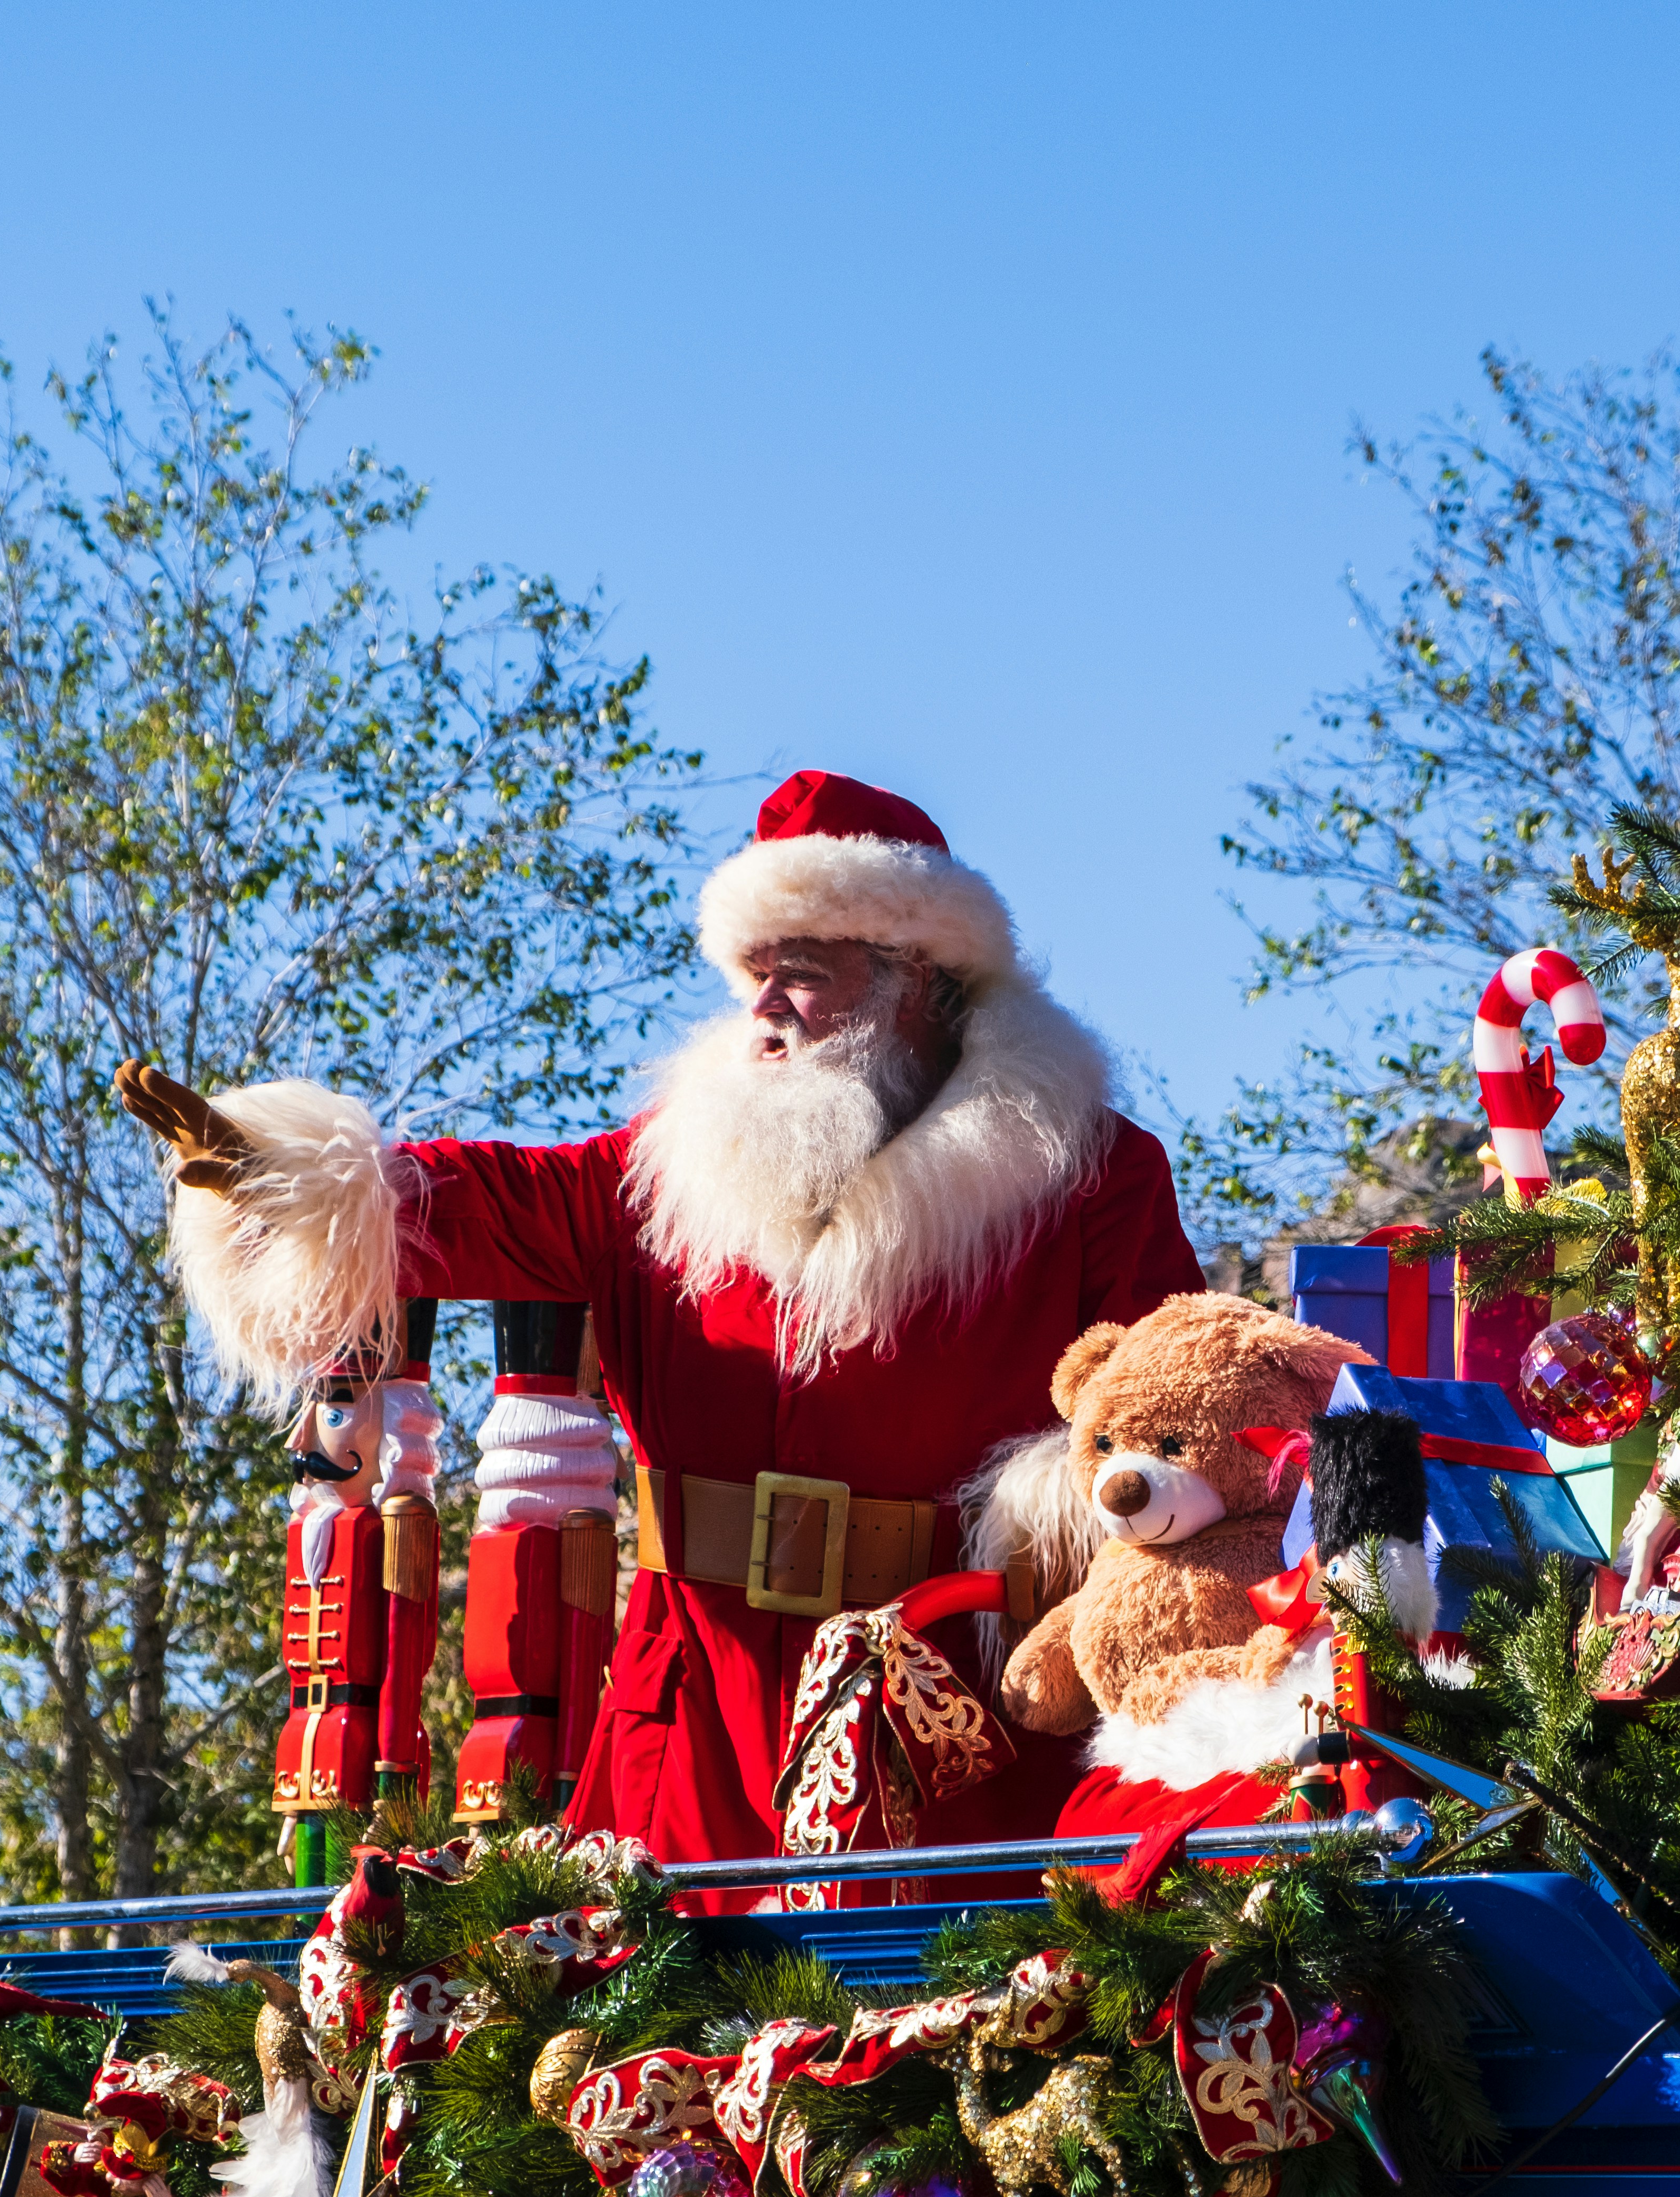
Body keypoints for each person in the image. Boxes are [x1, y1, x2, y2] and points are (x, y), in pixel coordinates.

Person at [116, 769, 1204, 1869]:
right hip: (690, 1729)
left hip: (963, 1727)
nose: (767, 1007)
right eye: (757, 974)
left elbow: (1181, 1424)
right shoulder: (660, 1172)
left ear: (914, 976)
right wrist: (280, 1173)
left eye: (805, 974)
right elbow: (469, 1202)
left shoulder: (1092, 1177)